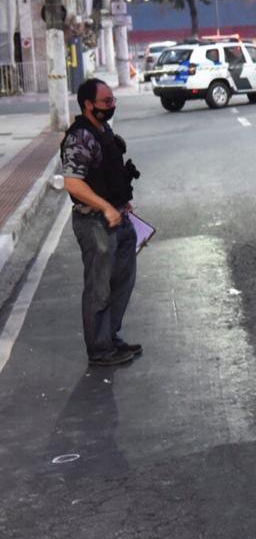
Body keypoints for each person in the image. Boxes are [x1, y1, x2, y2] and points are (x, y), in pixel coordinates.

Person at [62, 78, 142, 366]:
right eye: (106, 102)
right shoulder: (80, 136)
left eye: (113, 101)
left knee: (122, 280)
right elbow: (72, 183)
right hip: (94, 222)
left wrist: (120, 201)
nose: (112, 106)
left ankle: (109, 337)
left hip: (118, 216)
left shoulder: (103, 129)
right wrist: (106, 207)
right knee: (99, 288)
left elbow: (109, 171)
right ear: (88, 105)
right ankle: (99, 349)